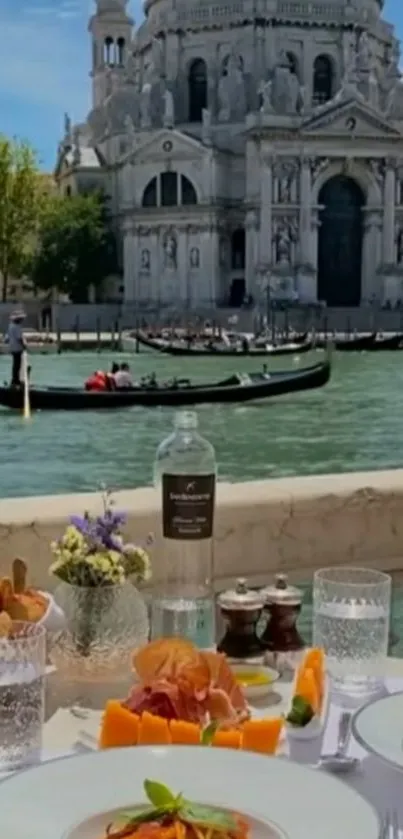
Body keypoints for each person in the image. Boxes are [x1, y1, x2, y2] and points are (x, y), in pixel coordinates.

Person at [5, 311, 26, 387]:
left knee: (15, 365)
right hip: (17, 348)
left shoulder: (10, 326)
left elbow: (6, 339)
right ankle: (16, 380)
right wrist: (24, 346)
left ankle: (14, 379)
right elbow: (19, 338)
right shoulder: (17, 327)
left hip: (12, 348)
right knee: (17, 365)